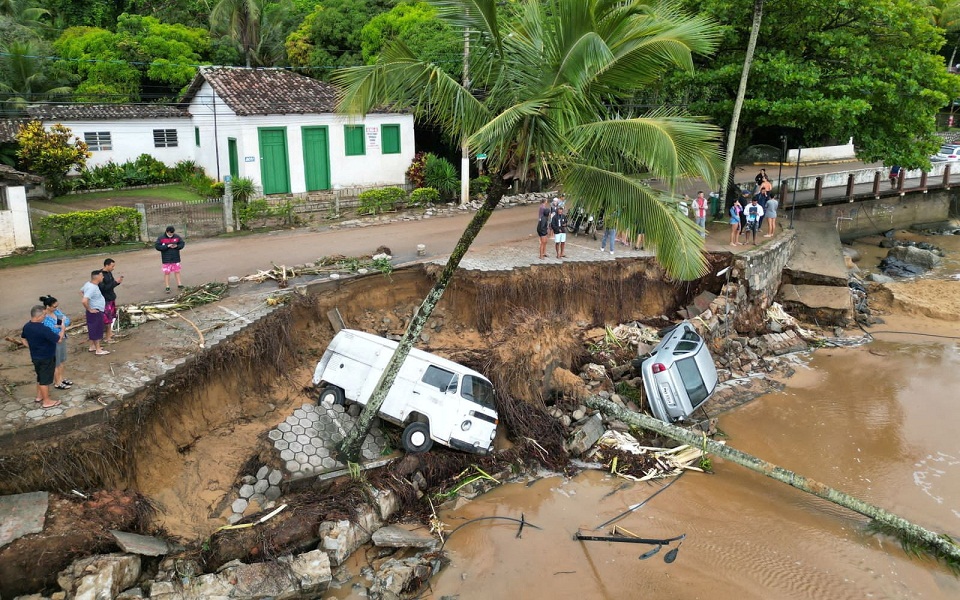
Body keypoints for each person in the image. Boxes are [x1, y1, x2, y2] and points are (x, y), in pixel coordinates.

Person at [21, 305, 62, 409]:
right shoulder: (43, 329)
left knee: (40, 376)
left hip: (35, 356)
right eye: (44, 314)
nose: (45, 316)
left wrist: (32, 347)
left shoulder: (27, 326)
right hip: (46, 357)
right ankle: (47, 401)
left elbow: (23, 339)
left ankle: (39, 396)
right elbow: (58, 340)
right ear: (38, 316)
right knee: (45, 380)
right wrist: (63, 329)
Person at [40, 295, 71, 390]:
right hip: (53, 342)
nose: (56, 308)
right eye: (54, 306)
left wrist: (61, 325)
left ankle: (61, 378)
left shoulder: (57, 312)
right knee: (56, 363)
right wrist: (61, 325)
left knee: (61, 360)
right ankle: (57, 382)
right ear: (48, 306)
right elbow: (52, 329)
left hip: (61, 338)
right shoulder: (44, 317)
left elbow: (67, 321)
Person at [81, 270, 109, 356]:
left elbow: (81, 291)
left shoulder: (88, 284)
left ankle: (93, 346)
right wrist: (90, 308)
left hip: (95, 310)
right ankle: (98, 349)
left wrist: (90, 301)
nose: (103, 277)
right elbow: (84, 300)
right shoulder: (92, 287)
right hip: (95, 311)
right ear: (97, 277)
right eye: (101, 276)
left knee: (93, 328)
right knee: (96, 329)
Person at [99, 258, 123, 344]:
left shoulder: (109, 273)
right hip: (105, 299)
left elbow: (111, 284)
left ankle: (110, 333)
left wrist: (117, 282)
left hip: (111, 297)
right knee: (107, 319)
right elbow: (103, 288)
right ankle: (107, 337)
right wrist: (114, 283)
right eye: (112, 266)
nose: (113, 268)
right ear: (107, 265)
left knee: (111, 317)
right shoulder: (100, 275)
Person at [156, 226, 186, 293]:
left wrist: (177, 246)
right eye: (170, 234)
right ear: (167, 232)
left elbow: (182, 243)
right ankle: (167, 287)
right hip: (166, 259)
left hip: (175, 257)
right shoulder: (161, 238)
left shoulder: (176, 237)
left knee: (177, 271)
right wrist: (166, 246)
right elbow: (157, 246)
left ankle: (179, 284)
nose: (171, 235)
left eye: (172, 234)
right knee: (167, 273)